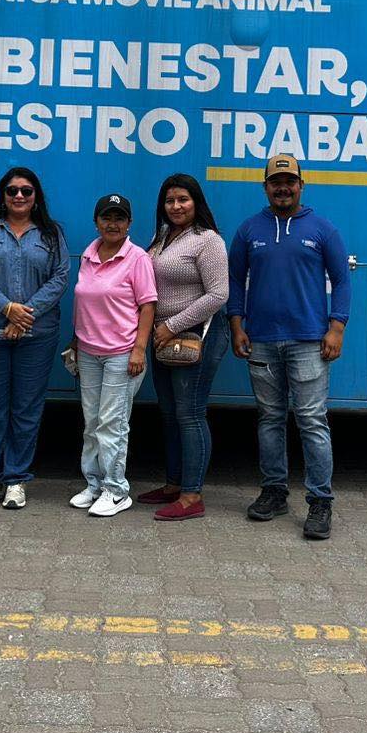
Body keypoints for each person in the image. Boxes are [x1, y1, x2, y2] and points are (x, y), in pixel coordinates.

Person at [227, 154, 351, 541]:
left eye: (289, 181)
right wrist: (236, 325)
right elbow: (235, 280)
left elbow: (342, 280)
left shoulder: (323, 229)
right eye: (276, 182)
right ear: (265, 187)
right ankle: (274, 492)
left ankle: (320, 501)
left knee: (312, 420)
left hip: (309, 341)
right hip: (261, 340)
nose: (283, 188)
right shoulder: (249, 230)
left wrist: (336, 328)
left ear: (301, 185)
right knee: (270, 419)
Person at [0, 167, 69, 511]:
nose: (19, 196)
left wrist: (23, 317)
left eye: (26, 190)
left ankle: (16, 480)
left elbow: (60, 277)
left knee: (26, 409)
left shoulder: (51, 233)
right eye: (12, 190)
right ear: (3, 195)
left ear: (36, 196)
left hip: (37, 335)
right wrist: (6, 308)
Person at [136, 174, 229, 522]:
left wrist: (171, 326)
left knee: (190, 414)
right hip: (163, 336)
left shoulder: (208, 240)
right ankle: (174, 484)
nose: (176, 206)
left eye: (183, 200)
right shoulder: (162, 237)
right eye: (169, 200)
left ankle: (192, 495)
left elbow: (219, 294)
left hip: (195, 335)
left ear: (196, 203)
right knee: (169, 412)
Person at [68, 193, 157, 517]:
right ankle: (94, 485)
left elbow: (148, 305)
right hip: (89, 352)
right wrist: (76, 341)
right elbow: (82, 302)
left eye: (119, 218)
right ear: (97, 222)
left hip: (122, 354)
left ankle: (117, 490)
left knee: (113, 424)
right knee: (92, 423)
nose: (113, 224)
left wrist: (139, 350)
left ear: (129, 223)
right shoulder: (89, 255)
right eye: (107, 217)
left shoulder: (137, 258)